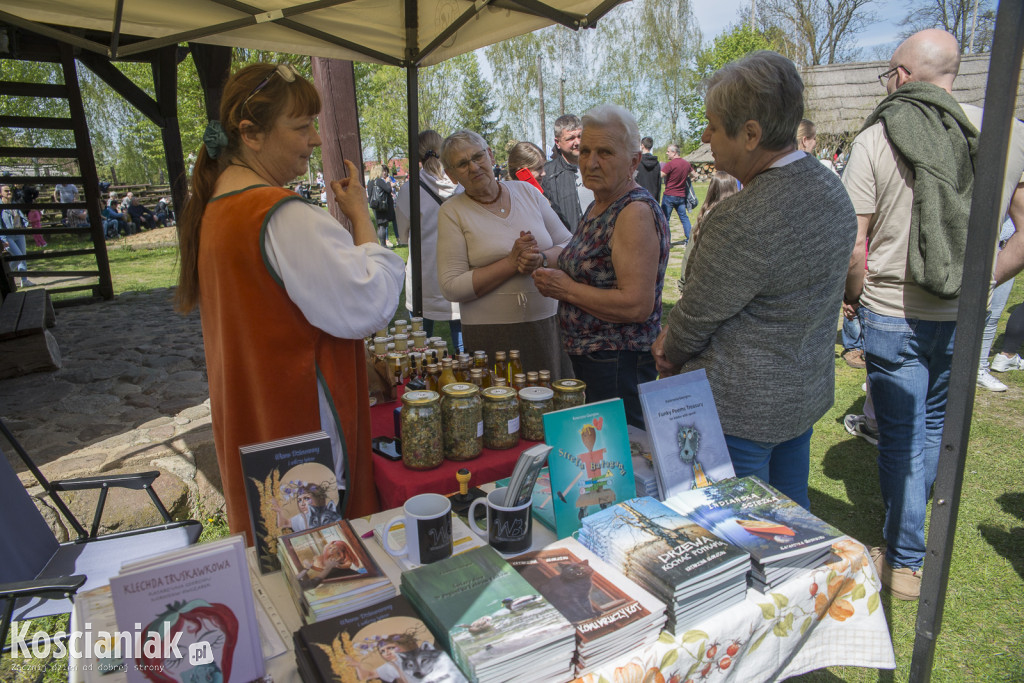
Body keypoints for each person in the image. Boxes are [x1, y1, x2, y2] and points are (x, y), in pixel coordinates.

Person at [174, 62, 405, 537]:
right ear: (251, 135)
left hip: (258, 420)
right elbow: (368, 303)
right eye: (301, 127)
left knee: (286, 566)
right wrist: (361, 216)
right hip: (302, 438)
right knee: (321, 563)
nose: (316, 140)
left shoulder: (217, 207)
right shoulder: (280, 215)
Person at [841, 29, 1024, 600]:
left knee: (901, 437)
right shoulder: (1007, 135)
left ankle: (905, 559)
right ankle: (914, 549)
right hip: (961, 314)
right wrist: (984, 279)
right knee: (936, 429)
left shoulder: (877, 134)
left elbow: (854, 244)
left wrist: (852, 292)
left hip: (893, 307)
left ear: (901, 74)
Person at [652, 51, 857, 510]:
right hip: (800, 396)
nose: (704, 137)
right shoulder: (830, 188)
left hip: (741, 410)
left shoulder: (743, 218)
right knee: (793, 518)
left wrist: (667, 349)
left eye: (711, 125)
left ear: (750, 134)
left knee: (745, 530)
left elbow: (695, 318)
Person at [532, 105, 670, 428]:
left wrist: (565, 289)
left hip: (618, 365)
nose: (591, 162)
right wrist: (540, 258)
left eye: (605, 152)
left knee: (622, 462)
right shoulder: (601, 203)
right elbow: (582, 257)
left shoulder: (633, 212)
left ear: (634, 161)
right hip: (598, 363)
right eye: (586, 150)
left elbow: (636, 304)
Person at [437, 129, 573, 377]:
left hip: (547, 326)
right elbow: (452, 286)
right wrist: (511, 263)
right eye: (462, 164)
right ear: (451, 174)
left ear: (490, 155)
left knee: (551, 404)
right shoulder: (452, 212)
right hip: (491, 336)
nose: (474, 167)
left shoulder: (528, 192)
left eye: (478, 157)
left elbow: (569, 244)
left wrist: (541, 259)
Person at [395, 130, 462, 351]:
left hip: (424, 276)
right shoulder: (460, 186)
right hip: (457, 272)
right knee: (464, 347)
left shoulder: (409, 190)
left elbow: (403, 235)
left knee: (421, 349)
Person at [677, 170, 739, 290]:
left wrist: (683, 284)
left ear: (712, 189)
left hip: (706, 282)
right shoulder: (742, 217)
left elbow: (690, 253)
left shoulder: (705, 217)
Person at [542, 114, 592, 231]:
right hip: (567, 246)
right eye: (570, 138)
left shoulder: (599, 167)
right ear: (557, 142)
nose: (577, 142)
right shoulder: (546, 175)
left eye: (580, 136)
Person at [1, 184, 34, 288]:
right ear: (0, 193)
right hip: (8, 236)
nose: (9, 192)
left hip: (19, 234)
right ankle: (6, 274)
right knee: (18, 256)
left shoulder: (13, 204)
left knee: (22, 257)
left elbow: (22, 217)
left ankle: (24, 281)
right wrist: (2, 239)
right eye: (6, 191)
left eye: (10, 190)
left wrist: (25, 225)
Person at [368, 165, 397, 247]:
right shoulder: (379, 181)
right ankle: (383, 245)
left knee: (379, 225)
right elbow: (388, 189)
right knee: (383, 225)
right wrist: (388, 181)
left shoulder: (370, 181)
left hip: (374, 205)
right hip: (381, 206)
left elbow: (370, 195)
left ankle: (382, 244)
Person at [635, 136, 661, 203]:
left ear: (642, 145)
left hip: (639, 197)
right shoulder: (657, 164)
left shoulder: (637, 162)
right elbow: (659, 184)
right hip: (652, 198)